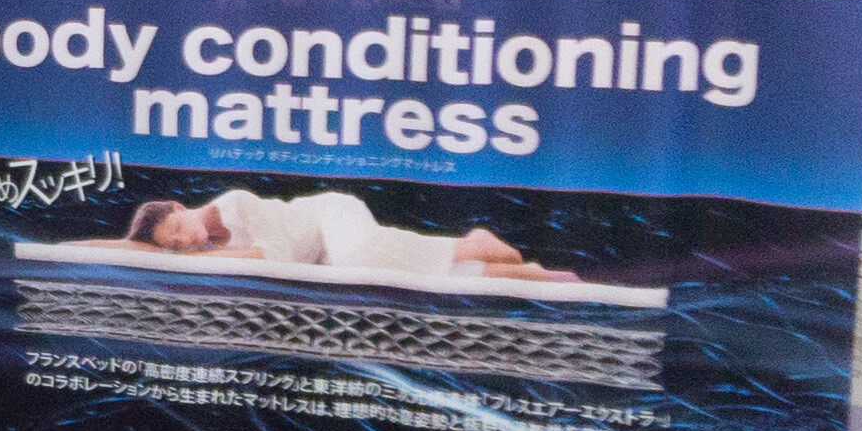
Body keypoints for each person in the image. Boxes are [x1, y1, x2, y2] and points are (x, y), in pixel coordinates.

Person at [120, 187, 568, 284]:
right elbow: (112, 247)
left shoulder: (233, 205)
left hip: (329, 215)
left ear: (179, 207)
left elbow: (278, 258)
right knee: (397, 274)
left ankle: (470, 244)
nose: (185, 242)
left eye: (177, 229)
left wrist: (197, 259)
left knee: (359, 259)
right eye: (175, 245)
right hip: (324, 251)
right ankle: (526, 273)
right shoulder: (213, 248)